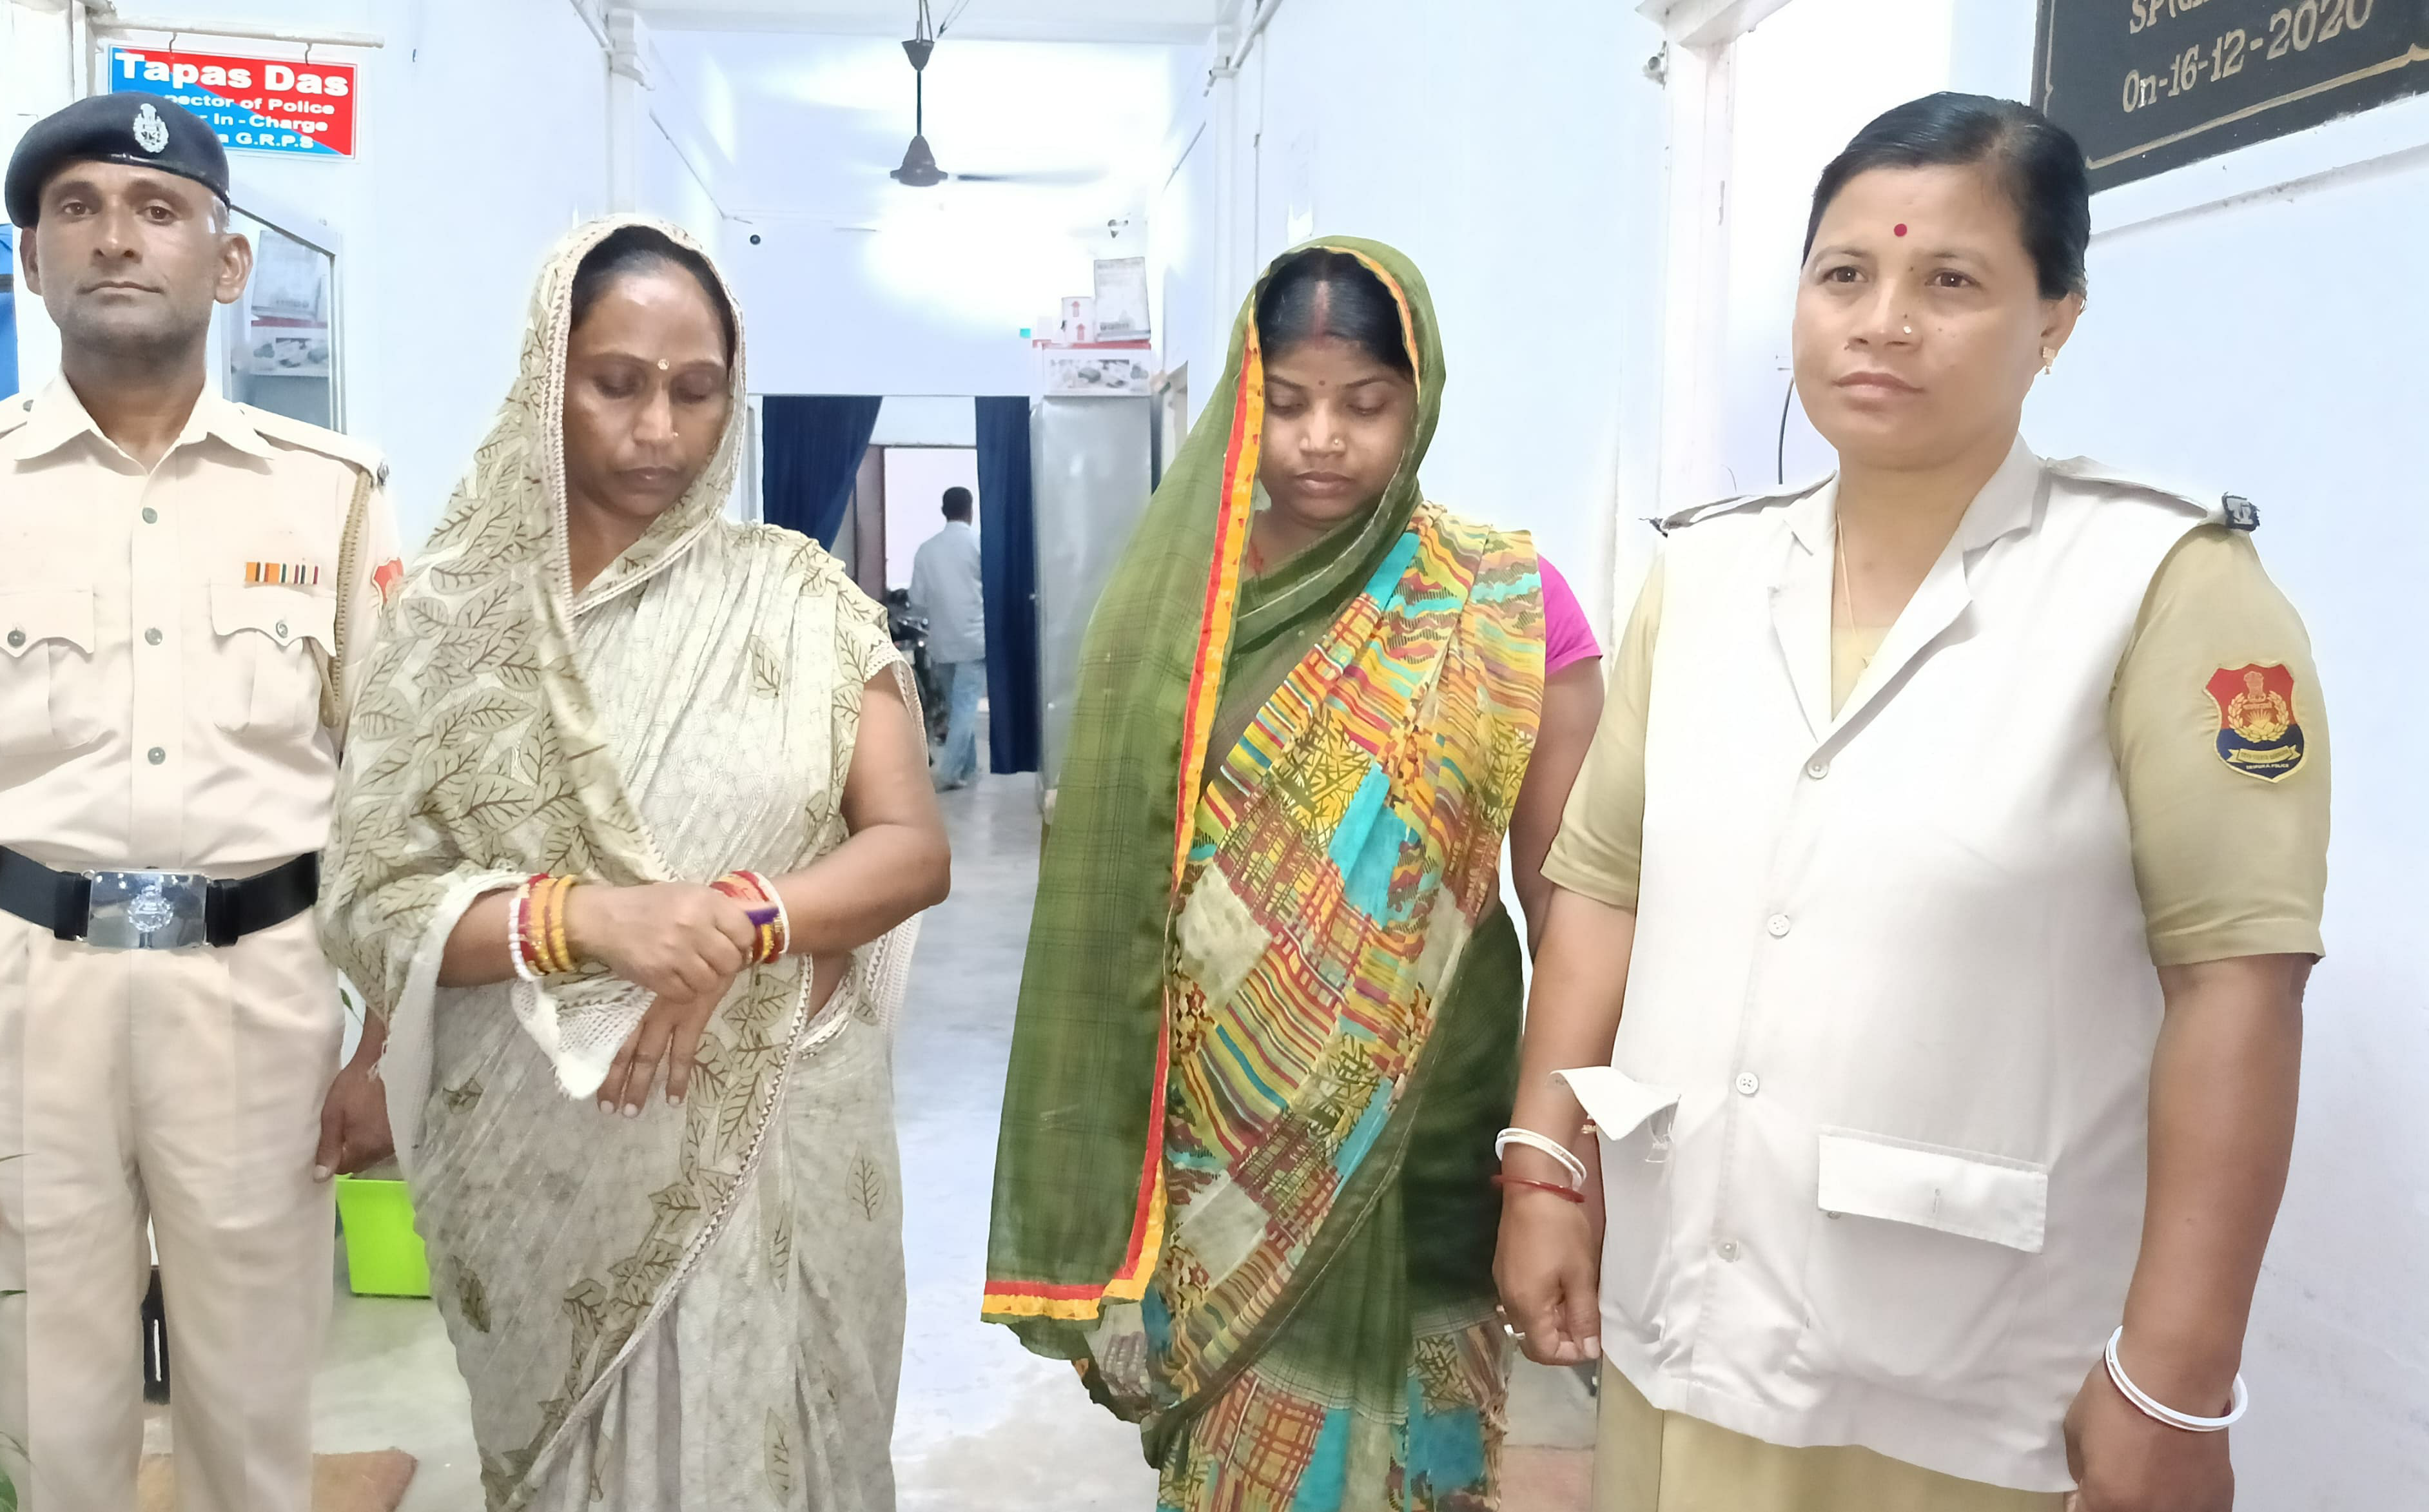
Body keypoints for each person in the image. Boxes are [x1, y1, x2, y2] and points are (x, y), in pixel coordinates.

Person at [1496, 93, 2328, 1512]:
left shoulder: (2159, 589)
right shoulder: (1703, 580)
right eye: (1845, 275)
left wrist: (2176, 1377)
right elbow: (1601, 893)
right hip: (1682, 1316)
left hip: (1966, 1375)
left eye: (1949, 281)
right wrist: (1541, 1168)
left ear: (2055, 320)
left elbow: (2238, 988)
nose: (1881, 323)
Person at [0, 92, 400, 1512]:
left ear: (228, 261)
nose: (116, 238)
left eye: (157, 209)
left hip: (260, 993)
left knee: (254, 1414)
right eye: (75, 209)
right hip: (20, 995)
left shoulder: (332, 497)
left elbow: (394, 795)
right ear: (32, 257)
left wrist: (388, 1040)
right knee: (36, 1420)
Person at [318, 216, 950, 1511]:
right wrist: (588, 924)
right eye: (616, 384)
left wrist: (743, 919)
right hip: (544, 1148)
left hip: (778, 1130)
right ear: (546, 380)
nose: (658, 427)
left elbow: (909, 849)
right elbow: (375, 899)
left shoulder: (800, 598)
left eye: (696, 390)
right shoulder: (449, 623)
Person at [984, 240, 1606, 1509]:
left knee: (1422, 1447)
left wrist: (1557, 1154)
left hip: (1431, 1118)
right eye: (1290, 402)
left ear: (1420, 400)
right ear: (1242, 401)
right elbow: (1111, 894)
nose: (1323, 439)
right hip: (1219, 1140)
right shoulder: (1176, 612)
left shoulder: (1504, 605)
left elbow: (1568, 903)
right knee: (1243, 1456)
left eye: (1366, 403)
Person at [911, 483, 986, 789]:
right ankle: (949, 773)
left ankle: (968, 768)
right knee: (965, 708)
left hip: (941, 642)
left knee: (957, 708)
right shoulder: (979, 544)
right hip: (974, 639)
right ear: (971, 511)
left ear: (943, 511)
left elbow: (917, 601)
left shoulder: (926, 550)